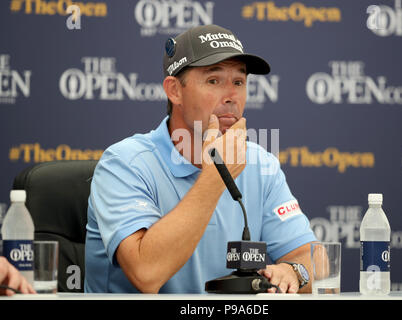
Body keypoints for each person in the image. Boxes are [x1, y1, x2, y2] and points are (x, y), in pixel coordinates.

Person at [84, 24, 317, 294]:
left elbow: (315, 258)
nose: (231, 97)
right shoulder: (124, 163)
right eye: (214, 81)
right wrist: (216, 175)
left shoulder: (260, 164)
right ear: (175, 91)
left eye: (239, 82)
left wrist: (294, 271)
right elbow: (146, 274)